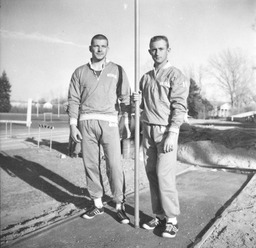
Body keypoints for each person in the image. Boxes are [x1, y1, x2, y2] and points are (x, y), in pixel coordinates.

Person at [68, 34, 131, 224]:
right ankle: (97, 203)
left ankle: (119, 205)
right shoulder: (79, 72)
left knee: (114, 165)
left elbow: (125, 98)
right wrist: (73, 125)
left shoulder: (117, 70)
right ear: (90, 48)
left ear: (108, 48)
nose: (99, 49)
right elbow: (73, 99)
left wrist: (126, 123)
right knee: (90, 164)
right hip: (86, 123)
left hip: (109, 122)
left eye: (103, 46)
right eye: (96, 46)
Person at [132, 36, 189, 238]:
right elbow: (140, 108)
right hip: (147, 130)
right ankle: (159, 215)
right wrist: (136, 101)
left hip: (165, 131)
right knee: (151, 173)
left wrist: (172, 133)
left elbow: (179, 107)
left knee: (164, 175)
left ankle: (172, 220)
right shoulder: (145, 77)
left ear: (168, 50)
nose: (157, 52)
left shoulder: (175, 75)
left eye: (161, 49)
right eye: (153, 49)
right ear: (149, 52)